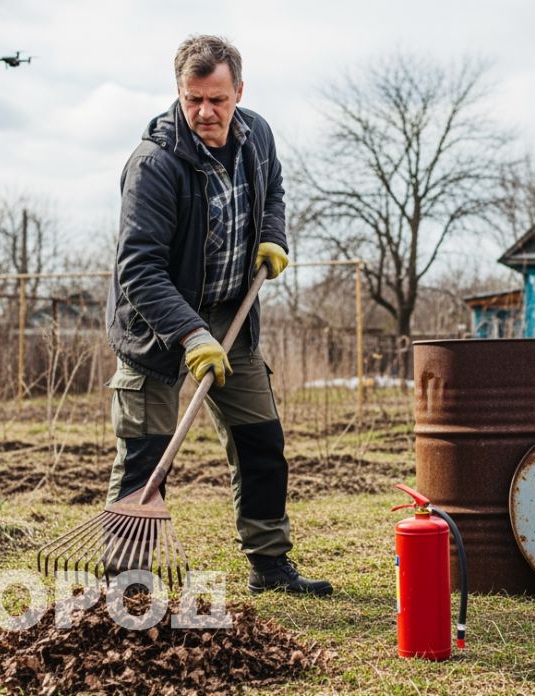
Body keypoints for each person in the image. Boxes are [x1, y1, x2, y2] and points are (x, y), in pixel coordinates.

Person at [103, 34, 332, 596]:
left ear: (239, 92)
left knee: (261, 443)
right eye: (193, 99)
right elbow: (139, 269)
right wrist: (188, 333)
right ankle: (128, 584)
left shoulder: (258, 137)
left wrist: (272, 237)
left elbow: (273, 191)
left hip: (232, 318)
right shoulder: (154, 165)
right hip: (157, 330)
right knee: (144, 454)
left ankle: (270, 564)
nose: (206, 112)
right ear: (178, 93)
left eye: (218, 99)